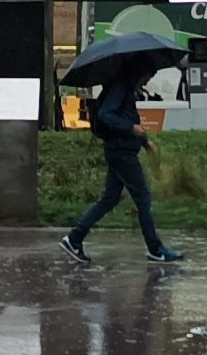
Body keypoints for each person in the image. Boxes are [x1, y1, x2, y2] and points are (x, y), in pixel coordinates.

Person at [61, 70, 183, 263]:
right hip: (122, 153)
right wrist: (131, 129)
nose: (148, 79)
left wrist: (143, 141)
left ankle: (74, 238)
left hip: (120, 150)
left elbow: (128, 118)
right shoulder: (119, 88)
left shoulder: (125, 88)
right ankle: (155, 249)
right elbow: (105, 115)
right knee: (143, 198)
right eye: (147, 75)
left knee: (109, 199)